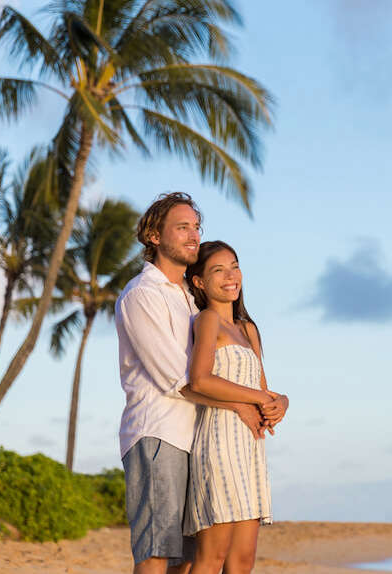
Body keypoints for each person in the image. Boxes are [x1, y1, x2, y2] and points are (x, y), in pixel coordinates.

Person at [116, 193, 287, 574]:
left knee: (187, 558)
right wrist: (243, 404)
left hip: (197, 437)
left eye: (196, 227)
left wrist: (271, 400)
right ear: (154, 236)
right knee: (157, 551)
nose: (193, 235)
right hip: (158, 434)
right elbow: (178, 379)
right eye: (182, 227)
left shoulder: (191, 301)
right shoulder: (142, 294)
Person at [182, 241, 283, 574]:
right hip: (219, 441)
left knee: (243, 561)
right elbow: (199, 380)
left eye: (234, 267)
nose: (230, 276)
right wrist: (253, 400)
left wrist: (280, 402)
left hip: (250, 447)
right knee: (212, 557)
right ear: (199, 282)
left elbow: (263, 391)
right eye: (219, 270)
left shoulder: (248, 329)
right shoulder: (207, 320)